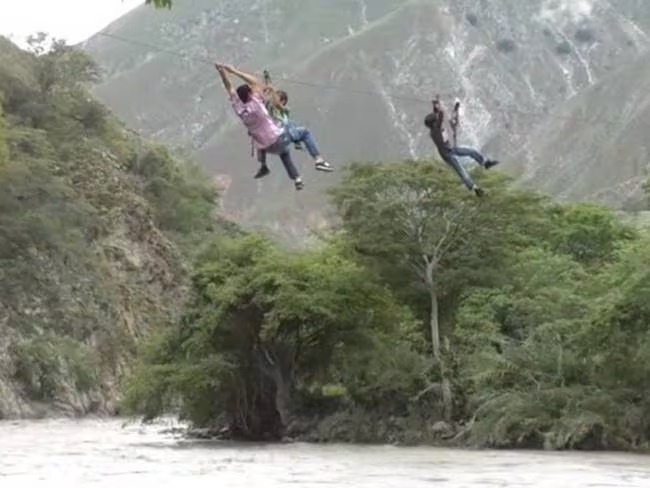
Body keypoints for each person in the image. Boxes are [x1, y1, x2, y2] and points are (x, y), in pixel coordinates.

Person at [215, 63, 333, 190]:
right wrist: (234, 71)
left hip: (268, 148)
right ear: (250, 94)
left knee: (284, 154)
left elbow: (229, 88)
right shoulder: (256, 102)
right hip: (278, 138)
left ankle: (296, 179)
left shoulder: (238, 107)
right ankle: (318, 160)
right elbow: (255, 82)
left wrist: (221, 72)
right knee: (305, 132)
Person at [424, 97, 499, 197]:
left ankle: (485, 163)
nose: (438, 120)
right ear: (434, 123)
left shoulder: (435, 127)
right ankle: (474, 188)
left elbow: (438, 115)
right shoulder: (435, 131)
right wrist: (438, 104)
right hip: (447, 154)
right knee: (461, 170)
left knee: (471, 151)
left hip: (451, 148)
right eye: (436, 120)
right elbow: (440, 115)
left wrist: (435, 105)